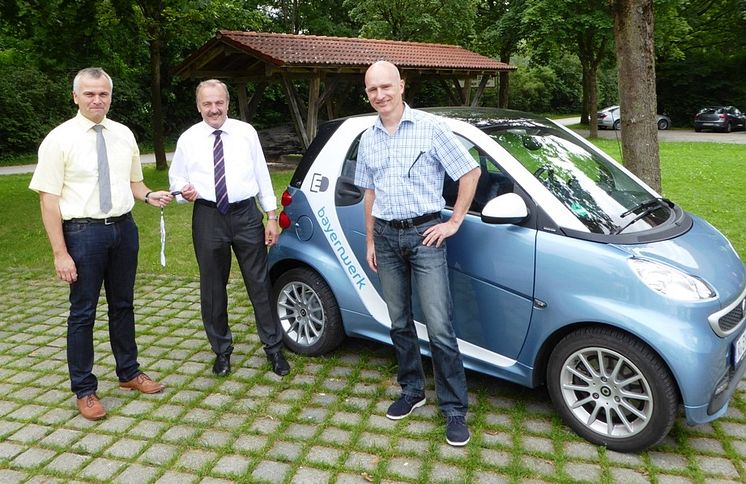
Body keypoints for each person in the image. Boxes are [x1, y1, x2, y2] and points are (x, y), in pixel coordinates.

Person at [29, 67, 172, 421]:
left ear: (110, 96)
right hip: (82, 234)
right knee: (83, 313)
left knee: (123, 305)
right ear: (75, 96)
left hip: (124, 230)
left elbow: (134, 183)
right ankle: (85, 389)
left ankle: (128, 372)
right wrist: (60, 253)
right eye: (90, 94)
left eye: (103, 94)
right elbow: (48, 201)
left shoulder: (123, 134)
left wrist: (149, 195)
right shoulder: (58, 140)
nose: (97, 100)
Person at [354, 61, 480, 446]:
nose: (380, 95)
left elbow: (469, 173)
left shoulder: (431, 128)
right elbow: (369, 193)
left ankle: (454, 410)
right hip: (388, 239)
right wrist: (371, 241)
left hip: (426, 237)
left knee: (440, 328)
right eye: (373, 89)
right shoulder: (368, 138)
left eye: (386, 86)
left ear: (402, 86)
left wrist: (454, 222)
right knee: (398, 322)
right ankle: (412, 390)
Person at [168, 79, 290, 378]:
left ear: (227, 103)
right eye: (207, 104)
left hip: (246, 214)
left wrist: (271, 216)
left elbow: (262, 174)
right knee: (212, 287)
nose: (214, 109)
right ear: (199, 107)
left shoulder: (245, 133)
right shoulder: (188, 139)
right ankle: (221, 351)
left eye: (219, 102)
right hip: (208, 216)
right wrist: (183, 190)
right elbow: (176, 179)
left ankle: (274, 348)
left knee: (259, 283)